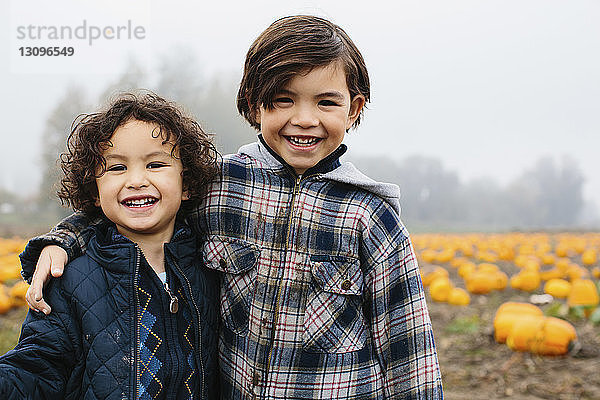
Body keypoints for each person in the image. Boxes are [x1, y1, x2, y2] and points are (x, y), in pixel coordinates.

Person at [20, 16, 443, 399]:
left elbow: (409, 352)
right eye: (283, 100)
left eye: (326, 102)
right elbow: (138, 205)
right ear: (254, 104)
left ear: (355, 108)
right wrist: (63, 239)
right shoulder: (221, 187)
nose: (304, 118)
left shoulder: (370, 216)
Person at [0, 93, 221, 399]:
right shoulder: (71, 278)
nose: (136, 180)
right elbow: (38, 365)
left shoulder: (210, 266)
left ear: (187, 185)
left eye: (155, 164)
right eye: (117, 168)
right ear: (94, 192)